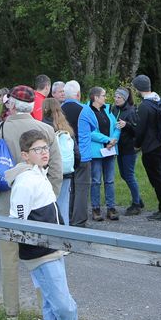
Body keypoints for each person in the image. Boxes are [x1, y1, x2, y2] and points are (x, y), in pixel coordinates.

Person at [5, 129, 84, 320]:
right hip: (40, 253)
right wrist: (33, 245)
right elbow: (17, 220)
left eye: (46, 148)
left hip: (53, 248)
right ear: (25, 155)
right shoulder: (26, 181)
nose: (44, 153)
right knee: (64, 306)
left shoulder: (38, 174)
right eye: (37, 150)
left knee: (51, 306)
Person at [0, 85, 62, 318]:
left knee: (9, 260)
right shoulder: (45, 129)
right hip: (40, 205)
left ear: (12, 104)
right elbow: (57, 169)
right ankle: (44, 311)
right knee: (42, 259)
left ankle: (11, 313)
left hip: (8, 201)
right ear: (33, 106)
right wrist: (51, 197)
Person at [130, 75, 161, 220]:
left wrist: (137, 144)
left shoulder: (144, 106)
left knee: (157, 178)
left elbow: (140, 129)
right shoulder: (159, 101)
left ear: (138, 88)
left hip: (150, 147)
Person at [80, 86, 120, 222]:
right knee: (96, 181)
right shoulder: (86, 111)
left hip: (110, 150)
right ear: (96, 97)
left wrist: (113, 140)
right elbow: (90, 133)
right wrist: (107, 139)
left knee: (110, 180)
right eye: (103, 95)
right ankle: (96, 209)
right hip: (96, 152)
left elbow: (117, 126)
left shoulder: (108, 109)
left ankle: (111, 208)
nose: (105, 98)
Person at [107, 87, 144, 216]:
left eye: (119, 97)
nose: (116, 99)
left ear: (125, 98)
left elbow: (137, 131)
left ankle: (136, 205)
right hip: (118, 148)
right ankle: (138, 198)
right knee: (123, 175)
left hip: (129, 148)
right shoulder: (113, 109)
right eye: (115, 97)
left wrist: (126, 125)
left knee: (129, 175)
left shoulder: (132, 111)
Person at [60, 81, 91, 226]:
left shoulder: (59, 110)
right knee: (82, 188)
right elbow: (94, 125)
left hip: (66, 155)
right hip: (83, 154)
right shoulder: (84, 109)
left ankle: (68, 215)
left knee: (69, 189)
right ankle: (79, 221)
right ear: (78, 94)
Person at [42, 97, 76, 223]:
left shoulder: (42, 127)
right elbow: (76, 153)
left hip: (48, 172)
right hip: (66, 172)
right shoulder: (66, 128)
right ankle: (65, 234)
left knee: (48, 206)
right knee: (63, 206)